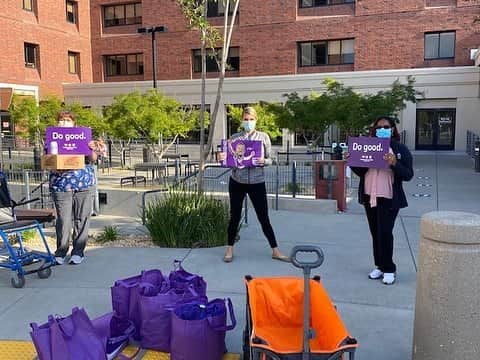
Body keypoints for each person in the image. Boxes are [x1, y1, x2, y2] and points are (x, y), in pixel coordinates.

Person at [218, 107, 289, 263]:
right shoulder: (234, 138)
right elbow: (228, 160)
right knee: (234, 217)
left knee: (263, 217)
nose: (248, 122)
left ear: (256, 120)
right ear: (242, 120)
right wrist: (221, 157)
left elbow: (272, 159)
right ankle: (229, 249)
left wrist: (266, 161)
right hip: (237, 182)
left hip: (257, 183)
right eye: (246, 119)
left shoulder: (263, 137)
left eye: (251, 119)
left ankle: (275, 251)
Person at [349, 116, 413, 285]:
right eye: (378, 127)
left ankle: (389, 268)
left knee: (385, 233)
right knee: (375, 233)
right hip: (370, 196)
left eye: (386, 126)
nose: (382, 129)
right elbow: (361, 172)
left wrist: (394, 163)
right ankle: (379, 265)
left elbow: (408, 175)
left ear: (393, 129)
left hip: (389, 198)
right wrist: (353, 159)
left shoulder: (400, 149)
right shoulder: (369, 147)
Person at [49, 110, 102, 265]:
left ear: (74, 123)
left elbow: (92, 159)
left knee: (82, 219)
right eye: (61, 120)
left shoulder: (83, 137)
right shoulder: (52, 139)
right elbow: (49, 162)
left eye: (67, 120)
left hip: (84, 183)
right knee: (63, 220)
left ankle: (78, 252)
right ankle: (61, 251)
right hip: (61, 186)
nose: (64, 123)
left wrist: (91, 148)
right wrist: (58, 166)